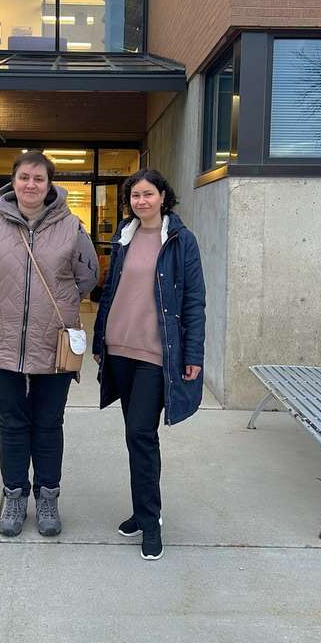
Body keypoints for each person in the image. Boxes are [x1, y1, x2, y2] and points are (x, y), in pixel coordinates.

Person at [0, 151, 99, 538]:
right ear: (13, 181)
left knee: (47, 423)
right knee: (10, 423)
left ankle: (47, 496)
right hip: (1, 339)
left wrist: (58, 302)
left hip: (53, 340)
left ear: (50, 184)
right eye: (24, 177)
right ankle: (14, 494)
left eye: (39, 179)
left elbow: (87, 276)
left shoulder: (71, 226)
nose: (31, 185)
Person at [92, 168, 206, 560]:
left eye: (148, 194)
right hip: (119, 350)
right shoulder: (123, 238)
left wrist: (193, 355)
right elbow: (110, 292)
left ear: (163, 196)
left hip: (155, 356)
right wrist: (98, 340)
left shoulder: (180, 241)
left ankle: (150, 520)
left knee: (142, 433)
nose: (141, 202)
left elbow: (194, 302)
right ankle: (142, 513)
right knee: (133, 435)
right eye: (135, 196)